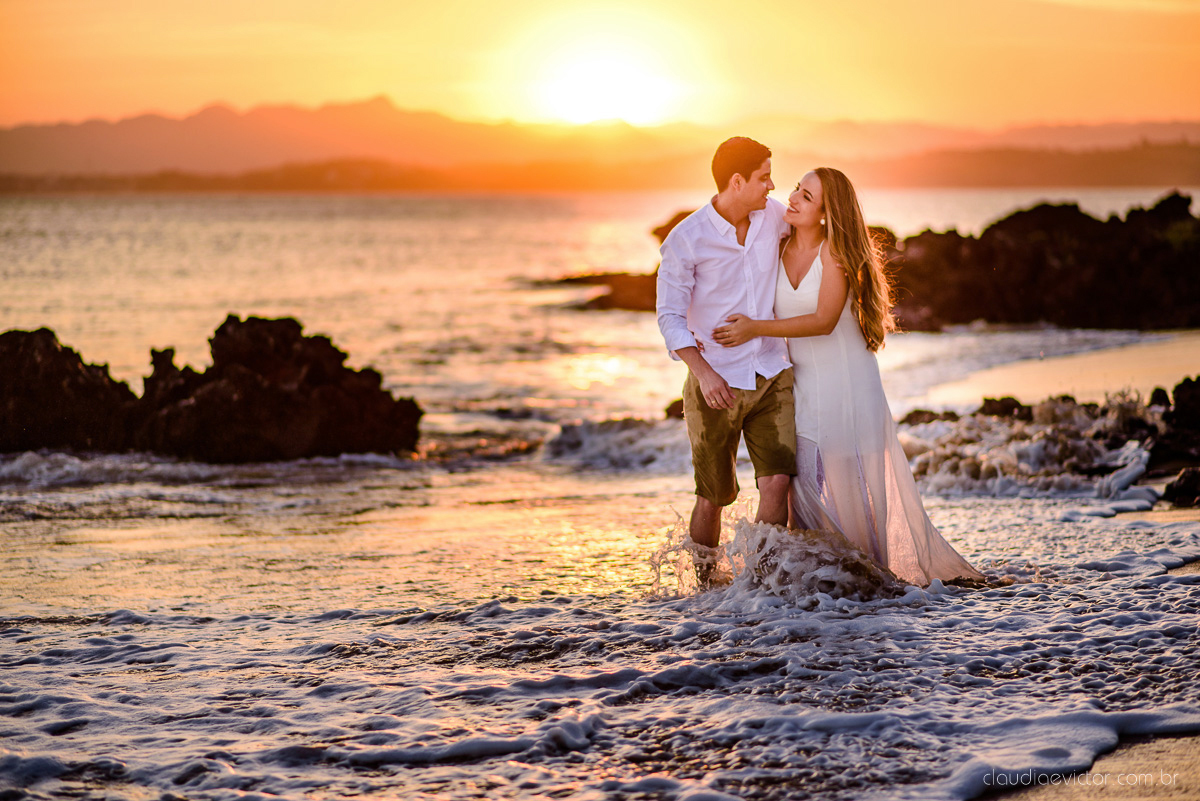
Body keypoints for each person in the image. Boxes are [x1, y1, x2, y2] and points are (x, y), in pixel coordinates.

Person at [712, 167, 982, 586]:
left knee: (850, 494)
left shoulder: (834, 255)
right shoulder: (778, 247)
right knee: (798, 487)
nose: (793, 198)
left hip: (847, 383)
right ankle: (800, 587)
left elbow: (823, 321)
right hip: (802, 385)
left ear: (826, 213)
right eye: (797, 189)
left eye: (806, 196)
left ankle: (870, 587)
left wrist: (754, 328)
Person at [656, 137, 797, 572]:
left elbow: (816, 233)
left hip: (772, 372)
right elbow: (669, 316)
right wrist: (703, 373)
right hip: (714, 384)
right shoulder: (686, 239)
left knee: (778, 481)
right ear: (737, 182)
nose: (772, 185)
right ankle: (703, 590)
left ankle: (762, 583)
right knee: (713, 495)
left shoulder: (773, 217)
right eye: (764, 177)